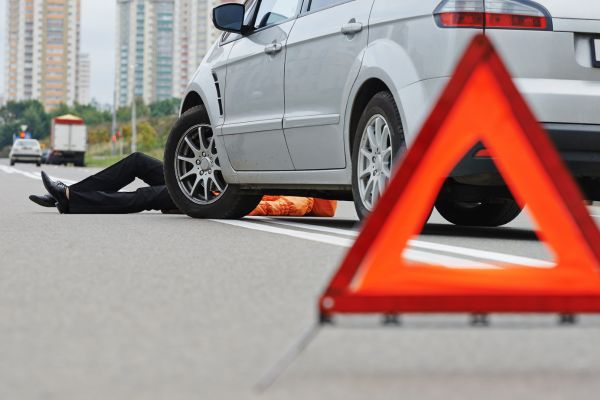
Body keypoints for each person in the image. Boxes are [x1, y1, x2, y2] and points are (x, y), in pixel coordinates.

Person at [31, 152, 337, 217]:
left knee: (148, 195)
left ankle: (71, 199)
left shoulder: (303, 199)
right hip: (207, 182)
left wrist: (217, 200)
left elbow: (263, 207)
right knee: (138, 161)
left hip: (211, 196)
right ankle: (69, 195)